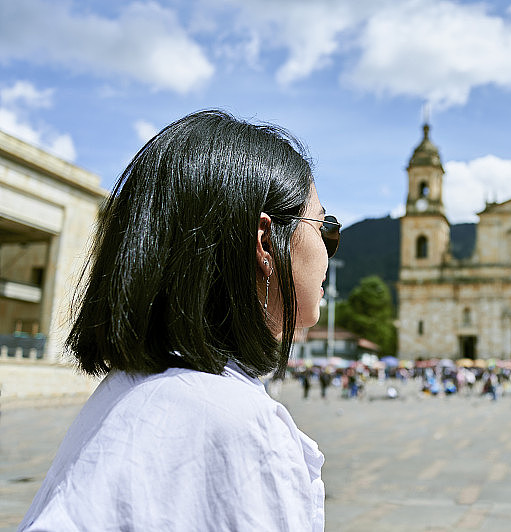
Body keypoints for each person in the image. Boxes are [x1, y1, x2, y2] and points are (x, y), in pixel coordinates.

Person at [18, 110, 341, 531]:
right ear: (265, 242)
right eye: (325, 228)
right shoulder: (237, 426)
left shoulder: (129, 390)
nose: (329, 251)